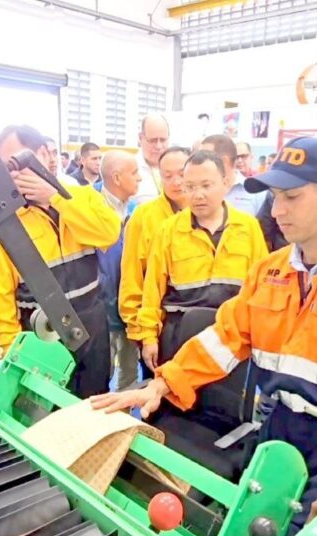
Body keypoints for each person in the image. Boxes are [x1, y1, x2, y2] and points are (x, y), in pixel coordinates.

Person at [93, 136, 317, 536]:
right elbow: (224, 339)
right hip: (275, 430)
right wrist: (162, 383)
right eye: (275, 197)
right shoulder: (270, 271)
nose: (277, 211)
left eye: (291, 197)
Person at [0, 124, 121, 397]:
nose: (14, 173)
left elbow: (108, 233)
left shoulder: (83, 197)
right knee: (49, 412)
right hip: (40, 338)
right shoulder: (5, 226)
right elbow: (1, 304)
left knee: (95, 404)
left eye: (18, 161)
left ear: (44, 154)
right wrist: (17, 357)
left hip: (93, 329)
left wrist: (56, 198)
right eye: (6, 168)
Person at [136, 149, 268, 370]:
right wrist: (148, 337)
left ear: (225, 183)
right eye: (190, 187)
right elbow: (152, 290)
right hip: (180, 334)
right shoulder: (169, 231)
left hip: (232, 336)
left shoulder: (248, 228)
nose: (197, 195)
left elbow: (262, 288)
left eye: (206, 186)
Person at [120, 146, 192, 379]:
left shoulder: (204, 214)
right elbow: (131, 275)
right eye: (167, 176)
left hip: (198, 323)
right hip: (157, 327)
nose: (176, 182)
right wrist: (139, 331)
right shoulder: (144, 217)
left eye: (181, 174)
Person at [97, 150, 142, 391]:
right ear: (116, 177)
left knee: (129, 374)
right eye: (134, 173)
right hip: (99, 314)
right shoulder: (89, 208)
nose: (139, 178)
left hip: (130, 312)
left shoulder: (137, 211)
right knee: (99, 375)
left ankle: (124, 413)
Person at [200, 134, 267, 216]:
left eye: (204, 158)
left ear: (224, 160)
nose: (199, 163)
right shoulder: (198, 193)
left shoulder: (257, 194)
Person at [134, 114, 170, 207]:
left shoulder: (179, 167)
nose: (158, 146)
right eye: (153, 140)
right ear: (140, 138)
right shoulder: (129, 169)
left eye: (163, 140)